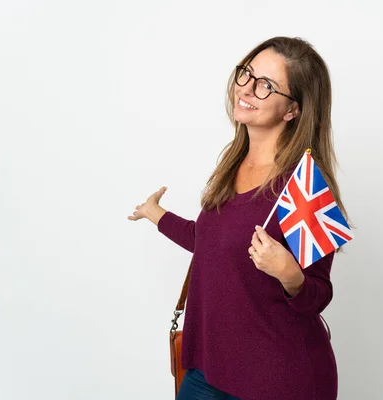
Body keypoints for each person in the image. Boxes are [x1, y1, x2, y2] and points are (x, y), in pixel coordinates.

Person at [128, 36, 351, 400]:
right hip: (207, 371)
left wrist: (289, 273)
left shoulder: (303, 186)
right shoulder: (232, 165)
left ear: (292, 110)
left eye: (266, 86)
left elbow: (318, 294)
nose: (246, 89)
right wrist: (157, 215)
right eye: (246, 74)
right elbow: (212, 243)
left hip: (278, 381)